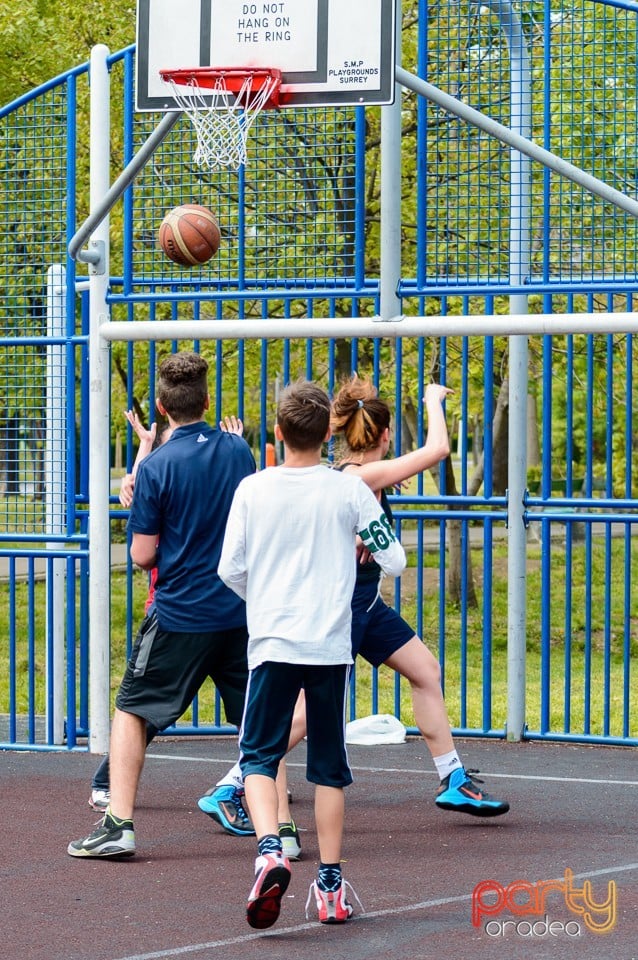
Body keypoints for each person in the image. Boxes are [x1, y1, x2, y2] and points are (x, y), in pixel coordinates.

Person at [200, 376, 509, 856]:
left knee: (425, 669)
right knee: (301, 717)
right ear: (384, 434)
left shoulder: (364, 476)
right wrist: (431, 401)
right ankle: (234, 782)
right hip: (338, 611)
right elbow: (439, 449)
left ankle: (452, 775)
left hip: (366, 605)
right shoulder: (356, 479)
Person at [218, 380, 406, 928]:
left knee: (257, 756)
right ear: (329, 434)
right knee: (327, 768)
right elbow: (393, 560)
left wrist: (268, 599)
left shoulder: (252, 489)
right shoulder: (349, 491)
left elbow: (230, 568)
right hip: (329, 645)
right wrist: (361, 547)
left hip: (274, 640)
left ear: (277, 433)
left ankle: (270, 850)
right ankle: (329, 885)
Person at [68, 351, 256, 858]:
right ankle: (277, 832)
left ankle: (117, 825)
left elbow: (142, 554)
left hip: (180, 613)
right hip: (239, 611)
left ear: (161, 405)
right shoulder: (240, 452)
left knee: (131, 710)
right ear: (208, 400)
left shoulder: (155, 466)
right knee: (257, 720)